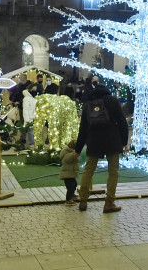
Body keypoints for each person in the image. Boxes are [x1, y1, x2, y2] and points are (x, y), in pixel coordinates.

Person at [74, 84, 129, 213]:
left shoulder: (88, 105)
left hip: (94, 141)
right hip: (112, 140)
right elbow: (122, 122)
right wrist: (124, 141)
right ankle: (109, 202)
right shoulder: (112, 101)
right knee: (113, 171)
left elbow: (83, 129)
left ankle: (83, 200)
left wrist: (78, 149)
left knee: (89, 170)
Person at [60, 140, 80, 206]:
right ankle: (68, 200)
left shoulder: (71, 151)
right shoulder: (66, 152)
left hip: (71, 173)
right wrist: (73, 154)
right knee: (70, 187)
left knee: (74, 185)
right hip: (67, 174)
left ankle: (72, 195)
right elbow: (67, 159)